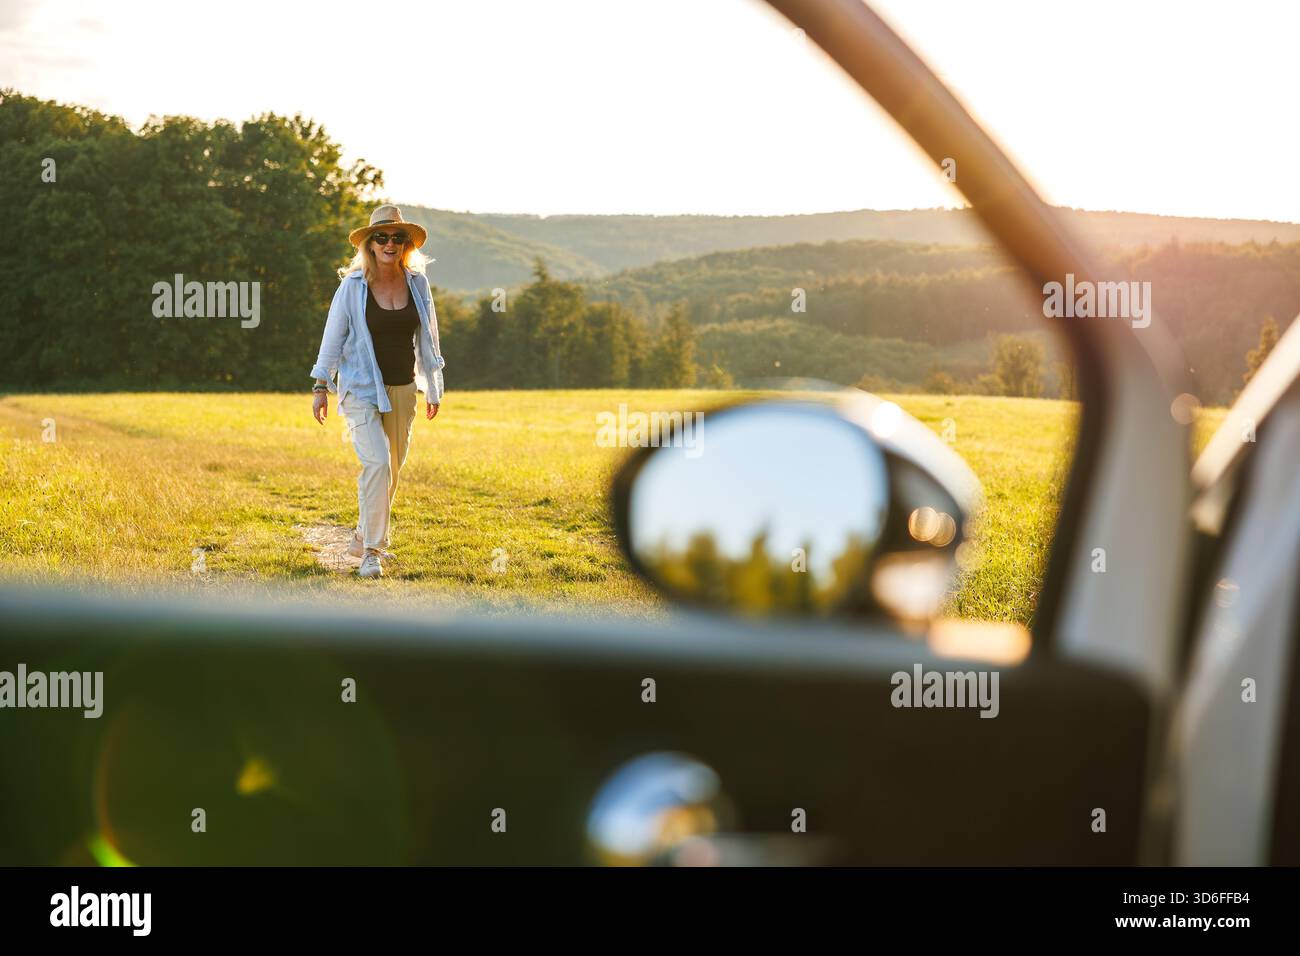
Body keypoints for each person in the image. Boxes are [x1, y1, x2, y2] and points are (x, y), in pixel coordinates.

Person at [310, 205, 445, 579]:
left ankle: (363, 533)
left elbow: (429, 338)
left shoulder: (417, 284)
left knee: (393, 471)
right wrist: (322, 384)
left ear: (406, 245)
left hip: (403, 388)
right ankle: (371, 552)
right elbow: (333, 336)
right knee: (377, 463)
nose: (390, 244)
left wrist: (432, 386)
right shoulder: (352, 286)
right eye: (382, 237)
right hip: (359, 388)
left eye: (398, 238)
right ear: (370, 243)